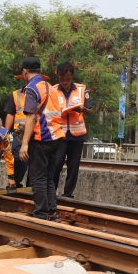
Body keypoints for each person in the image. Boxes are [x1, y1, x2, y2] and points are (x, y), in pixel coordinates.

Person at [18, 57, 65, 222]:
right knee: (48, 178)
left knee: (37, 178)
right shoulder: (50, 87)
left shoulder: (31, 88)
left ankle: (41, 214)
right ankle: (52, 212)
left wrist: (24, 144)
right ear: (39, 70)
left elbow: (31, 116)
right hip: (56, 137)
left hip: (42, 138)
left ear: (24, 72)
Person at [53, 62, 93, 199]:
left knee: (73, 166)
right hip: (60, 134)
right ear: (57, 76)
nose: (65, 82)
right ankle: (51, 192)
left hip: (77, 134)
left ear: (72, 76)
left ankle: (68, 194)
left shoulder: (82, 89)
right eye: (62, 79)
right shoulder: (53, 90)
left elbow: (89, 112)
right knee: (56, 164)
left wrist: (82, 109)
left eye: (68, 79)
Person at [4, 81, 32, 188]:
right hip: (19, 132)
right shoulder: (16, 94)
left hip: (36, 132)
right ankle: (14, 182)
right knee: (18, 157)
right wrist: (5, 133)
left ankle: (31, 186)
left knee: (33, 161)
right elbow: (10, 113)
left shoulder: (42, 92)